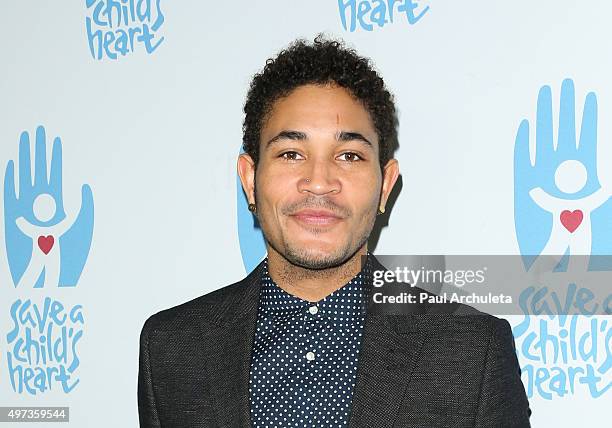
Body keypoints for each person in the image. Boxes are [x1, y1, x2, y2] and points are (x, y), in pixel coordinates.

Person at [138, 35, 532, 427]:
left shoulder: (470, 351)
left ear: (385, 184)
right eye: (291, 154)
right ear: (250, 179)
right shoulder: (172, 347)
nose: (320, 181)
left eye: (349, 156)